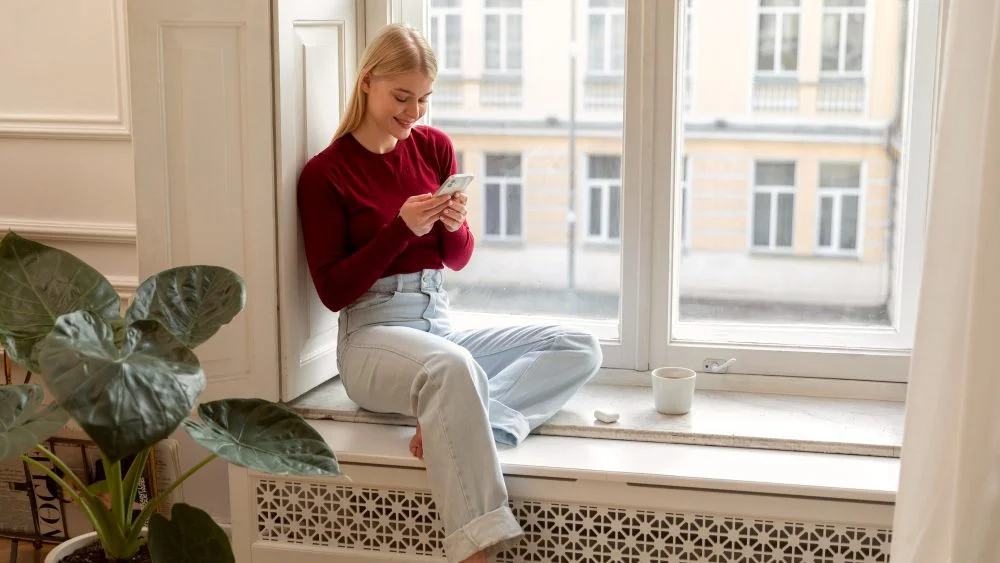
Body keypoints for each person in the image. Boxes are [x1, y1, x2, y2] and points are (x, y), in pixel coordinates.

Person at [297, 23, 602, 563]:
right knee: (452, 369)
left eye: (423, 99)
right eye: (402, 97)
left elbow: (455, 257)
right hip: (371, 338)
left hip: (436, 320)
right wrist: (400, 229)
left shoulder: (433, 147)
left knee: (576, 344)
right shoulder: (326, 173)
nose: (414, 112)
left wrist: (455, 223)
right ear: (367, 82)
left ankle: (470, 421)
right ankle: (476, 550)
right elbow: (333, 291)